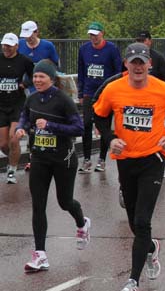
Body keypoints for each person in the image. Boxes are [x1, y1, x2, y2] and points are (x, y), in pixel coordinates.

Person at [93, 43, 165, 291]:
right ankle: (151, 247)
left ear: (149, 65)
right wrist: (110, 138)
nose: (137, 66)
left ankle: (132, 282)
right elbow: (98, 114)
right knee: (135, 223)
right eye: (133, 62)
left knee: (143, 221)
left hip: (153, 158)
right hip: (125, 160)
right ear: (126, 64)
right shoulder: (113, 89)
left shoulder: (163, 89)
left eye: (141, 62)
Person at [14, 60, 90, 272]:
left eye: (42, 77)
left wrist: (51, 126)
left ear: (51, 78)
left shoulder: (63, 100)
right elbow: (25, 118)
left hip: (62, 159)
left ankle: (82, 223)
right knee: (38, 205)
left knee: (64, 202)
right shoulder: (32, 99)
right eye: (35, 77)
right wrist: (21, 128)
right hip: (39, 159)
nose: (37, 80)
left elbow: (79, 128)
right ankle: (40, 255)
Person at [77, 21, 122, 173]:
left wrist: (115, 92)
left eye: (96, 35)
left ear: (102, 33)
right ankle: (87, 159)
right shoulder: (83, 49)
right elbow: (81, 71)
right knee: (87, 124)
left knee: (103, 125)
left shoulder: (112, 49)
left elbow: (118, 72)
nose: (93, 38)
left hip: (106, 92)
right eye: (91, 35)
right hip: (90, 91)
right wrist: (81, 93)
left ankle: (102, 159)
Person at [1, 33, 35, 184]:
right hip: (1, 105)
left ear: (16, 46)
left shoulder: (24, 61)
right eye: (4, 45)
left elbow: (35, 75)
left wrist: (25, 84)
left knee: (14, 139)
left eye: (9, 45)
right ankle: (15, 158)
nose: (5, 48)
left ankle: (11, 170)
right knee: (3, 144)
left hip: (17, 104)